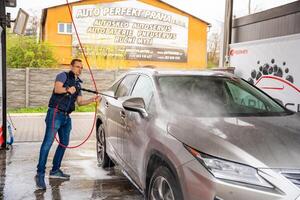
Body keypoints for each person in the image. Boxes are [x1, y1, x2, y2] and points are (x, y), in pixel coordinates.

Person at [35, 59, 100, 190]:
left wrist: (93, 100)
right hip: (55, 113)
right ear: (71, 66)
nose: (79, 69)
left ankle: (55, 171)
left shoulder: (78, 84)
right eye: (77, 67)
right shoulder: (63, 75)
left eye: (81, 68)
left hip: (66, 117)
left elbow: (80, 102)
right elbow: (57, 89)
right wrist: (68, 89)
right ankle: (40, 174)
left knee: (64, 143)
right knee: (47, 144)